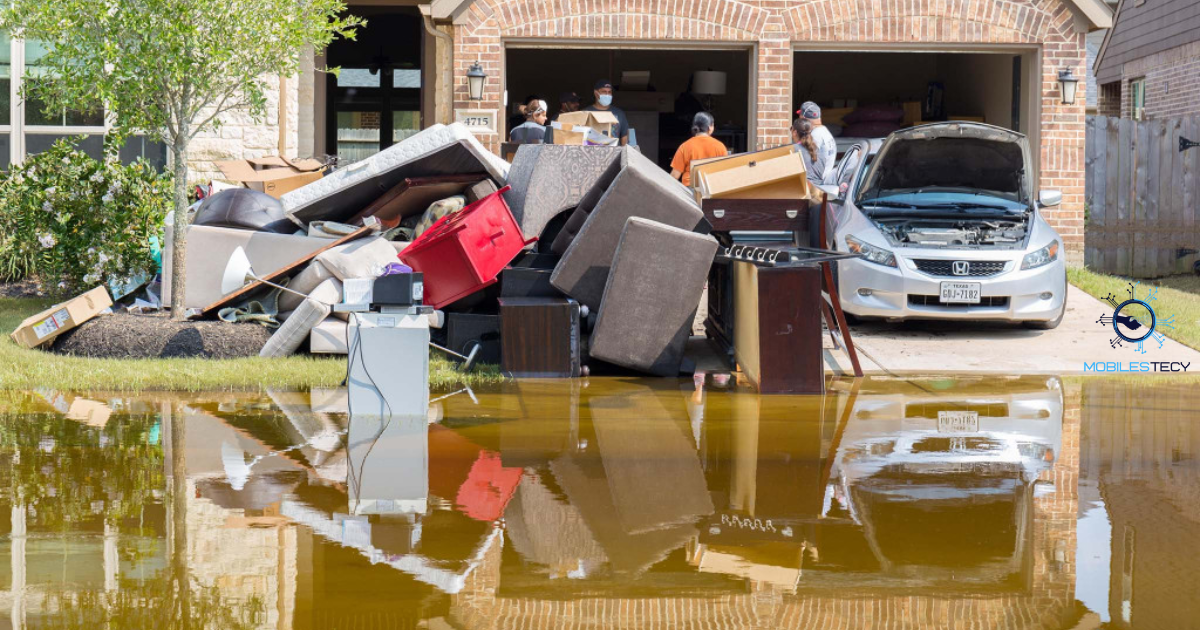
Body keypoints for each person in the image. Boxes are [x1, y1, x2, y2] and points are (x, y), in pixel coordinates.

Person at [670, 112, 728, 187]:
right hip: (712, 190)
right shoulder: (720, 146)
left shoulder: (685, 146)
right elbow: (725, 173)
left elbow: (674, 175)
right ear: (710, 127)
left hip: (689, 191)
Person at [797, 101, 836, 184]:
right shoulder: (824, 131)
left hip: (816, 184)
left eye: (800, 116)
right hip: (823, 181)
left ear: (804, 118)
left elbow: (804, 162)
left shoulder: (815, 136)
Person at [584, 79, 630, 145]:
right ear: (596, 93)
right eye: (604, 91)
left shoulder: (619, 114)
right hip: (592, 153)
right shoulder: (585, 113)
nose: (607, 94)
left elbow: (624, 136)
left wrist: (625, 153)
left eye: (609, 92)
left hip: (615, 154)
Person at [791, 118, 823, 183]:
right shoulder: (817, 149)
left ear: (795, 132)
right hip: (819, 189)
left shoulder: (793, 149)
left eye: (791, 129)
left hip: (805, 189)